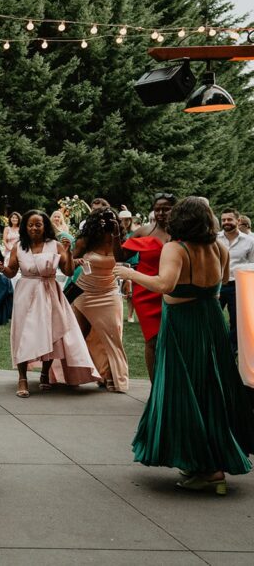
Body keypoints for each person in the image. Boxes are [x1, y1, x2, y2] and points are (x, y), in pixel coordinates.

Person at [115, 197, 254, 494]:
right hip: (211, 321)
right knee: (210, 392)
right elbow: (221, 281)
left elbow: (165, 284)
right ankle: (208, 465)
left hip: (183, 323)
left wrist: (130, 273)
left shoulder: (175, 248)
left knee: (186, 393)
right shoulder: (219, 247)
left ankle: (207, 468)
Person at [0, 211, 100, 397]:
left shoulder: (55, 245)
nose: (34, 228)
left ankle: (45, 373)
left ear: (45, 226)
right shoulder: (19, 247)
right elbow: (11, 272)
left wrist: (69, 253)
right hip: (26, 293)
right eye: (30, 225)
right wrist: (2, 268)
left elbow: (69, 272)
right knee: (23, 334)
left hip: (49, 292)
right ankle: (22, 378)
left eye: (38, 224)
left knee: (51, 332)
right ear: (25, 227)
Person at [72, 208, 129, 392]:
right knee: (78, 334)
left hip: (109, 291)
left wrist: (116, 236)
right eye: (103, 220)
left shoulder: (118, 240)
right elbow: (68, 263)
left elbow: (121, 259)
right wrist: (74, 261)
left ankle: (112, 376)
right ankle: (79, 375)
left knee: (113, 335)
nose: (106, 222)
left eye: (111, 219)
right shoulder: (86, 240)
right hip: (85, 291)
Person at [122, 194, 175, 379]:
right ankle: (154, 388)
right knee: (152, 340)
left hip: (173, 290)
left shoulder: (182, 232)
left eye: (166, 208)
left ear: (174, 209)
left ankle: (170, 385)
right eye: (158, 209)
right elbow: (121, 255)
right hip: (146, 292)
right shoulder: (144, 232)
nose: (161, 212)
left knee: (173, 340)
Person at [217, 208, 254, 354]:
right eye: (224, 220)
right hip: (217, 285)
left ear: (238, 221)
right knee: (212, 319)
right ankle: (215, 349)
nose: (226, 222)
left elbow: (252, 265)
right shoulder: (215, 239)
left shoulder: (250, 241)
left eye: (229, 220)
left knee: (237, 321)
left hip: (238, 286)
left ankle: (232, 351)